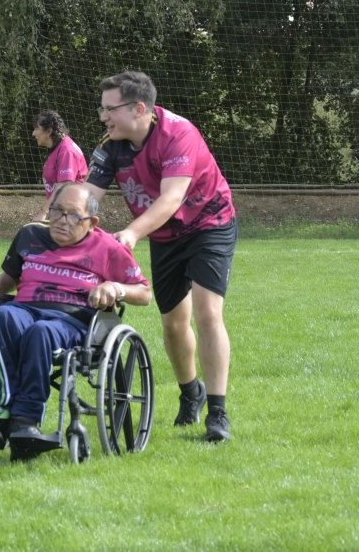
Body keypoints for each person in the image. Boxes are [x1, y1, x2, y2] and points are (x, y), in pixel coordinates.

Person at [0, 183, 151, 460]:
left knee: (41, 333)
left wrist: (115, 288)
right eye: (57, 211)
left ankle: (25, 418)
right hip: (25, 308)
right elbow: (9, 277)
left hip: (72, 319)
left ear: (92, 222)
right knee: (2, 316)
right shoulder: (29, 235)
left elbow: (144, 293)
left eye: (73, 215)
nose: (62, 221)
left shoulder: (108, 247)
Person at [85, 70, 237, 443]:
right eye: (101, 108)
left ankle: (217, 412)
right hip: (165, 235)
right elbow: (87, 197)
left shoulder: (177, 133)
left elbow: (171, 199)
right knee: (172, 324)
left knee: (207, 312)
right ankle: (191, 393)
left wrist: (132, 232)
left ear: (139, 108)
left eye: (110, 109)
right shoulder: (111, 147)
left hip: (209, 224)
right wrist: (58, 223)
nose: (103, 117)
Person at [31, 110, 88, 222]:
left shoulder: (67, 151)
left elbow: (63, 186)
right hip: (63, 214)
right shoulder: (57, 149)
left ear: (48, 131)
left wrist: (43, 213)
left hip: (72, 217)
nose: (33, 133)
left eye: (37, 128)